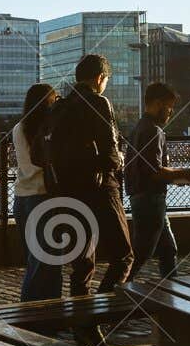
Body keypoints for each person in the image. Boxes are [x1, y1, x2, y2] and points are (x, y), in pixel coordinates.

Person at [46, 53, 134, 305]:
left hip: (66, 191)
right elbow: (110, 152)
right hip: (100, 189)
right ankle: (100, 311)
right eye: (105, 80)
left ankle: (81, 323)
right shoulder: (99, 103)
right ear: (100, 78)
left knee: (82, 264)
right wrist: (116, 160)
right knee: (123, 256)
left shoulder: (59, 107)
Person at [124, 82, 190, 283]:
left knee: (168, 249)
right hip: (151, 200)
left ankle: (170, 291)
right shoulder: (153, 131)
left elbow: (143, 169)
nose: (170, 112)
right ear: (158, 104)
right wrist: (185, 174)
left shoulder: (139, 128)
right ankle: (114, 292)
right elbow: (154, 172)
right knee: (141, 253)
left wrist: (178, 175)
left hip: (142, 197)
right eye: (169, 106)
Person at [12, 82, 63, 301]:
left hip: (22, 198)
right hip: (43, 197)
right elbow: (46, 163)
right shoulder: (47, 129)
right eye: (54, 99)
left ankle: (35, 310)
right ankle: (39, 311)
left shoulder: (19, 128)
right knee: (49, 258)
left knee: (36, 258)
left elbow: (27, 165)